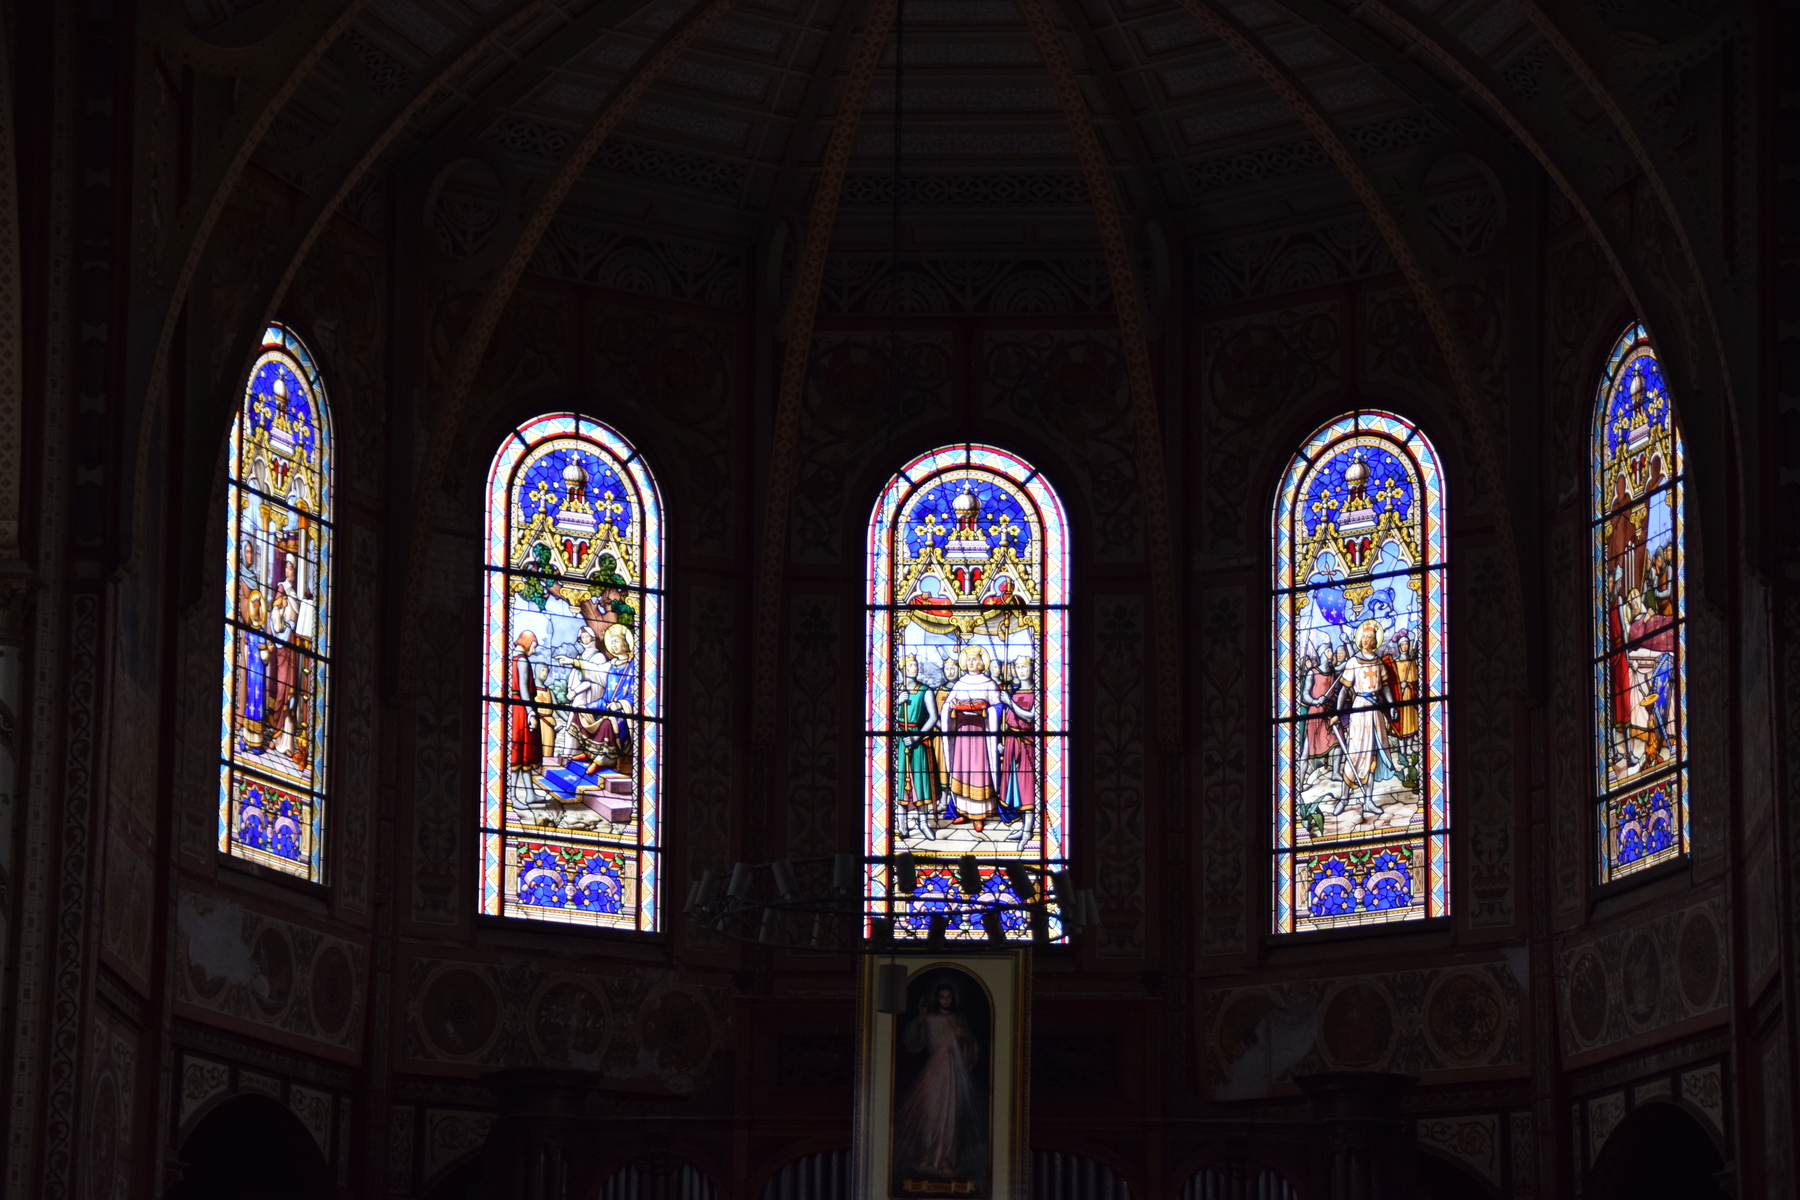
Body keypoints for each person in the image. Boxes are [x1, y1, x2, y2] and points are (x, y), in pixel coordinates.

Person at [894, 982, 983, 1181]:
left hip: (953, 1070)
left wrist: (966, 1036)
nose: (946, 1000)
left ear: (953, 998)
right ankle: (929, 1155)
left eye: (949, 996)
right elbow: (913, 1040)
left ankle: (946, 1161)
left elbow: (971, 1045)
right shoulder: (929, 1018)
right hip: (934, 1070)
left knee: (950, 1115)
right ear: (937, 999)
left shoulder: (959, 1019)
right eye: (942, 997)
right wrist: (920, 1017)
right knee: (932, 1114)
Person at [1332, 620, 1404, 817]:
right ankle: (1344, 799)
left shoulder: (1378, 662)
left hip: (1375, 712)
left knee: (1371, 755)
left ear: (1374, 641)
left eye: (1370, 637)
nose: (1366, 640)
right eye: (1364, 637)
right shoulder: (1353, 662)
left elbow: (1386, 687)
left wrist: (1392, 706)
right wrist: (1337, 714)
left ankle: (1368, 801)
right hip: (1359, 710)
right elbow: (1344, 690)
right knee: (1355, 753)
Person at [896, 655, 944, 842]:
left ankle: (923, 823)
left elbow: (933, 718)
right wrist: (896, 702)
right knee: (900, 783)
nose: (913, 668)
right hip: (899, 740)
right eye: (909, 665)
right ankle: (901, 825)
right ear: (902, 669)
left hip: (918, 740)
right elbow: (881, 717)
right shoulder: (896, 691)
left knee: (921, 781)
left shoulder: (926, 691)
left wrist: (916, 737)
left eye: (915, 665)